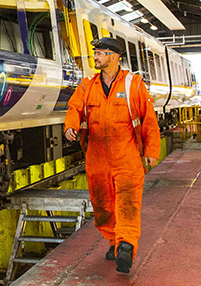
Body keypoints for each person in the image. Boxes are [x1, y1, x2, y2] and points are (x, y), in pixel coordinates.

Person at [64, 37, 160, 274]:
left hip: (126, 155)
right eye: (95, 53)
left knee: (127, 202)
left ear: (114, 57)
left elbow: (149, 120)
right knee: (102, 205)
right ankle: (114, 242)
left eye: (100, 53)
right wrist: (70, 126)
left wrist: (151, 152)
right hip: (96, 156)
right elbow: (75, 107)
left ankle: (126, 245)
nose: (95, 57)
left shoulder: (133, 84)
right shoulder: (87, 85)